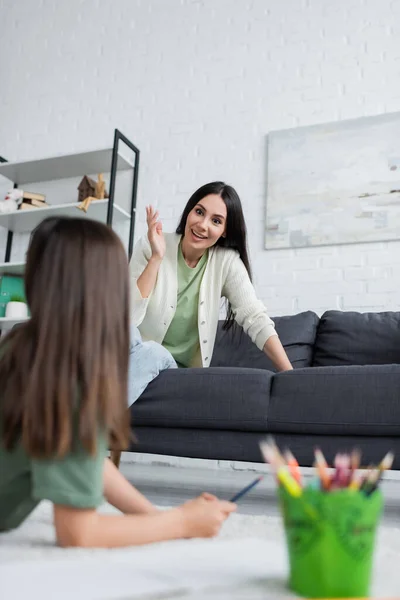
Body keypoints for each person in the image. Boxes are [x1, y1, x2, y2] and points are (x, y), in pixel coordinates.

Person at [0, 216, 236, 547]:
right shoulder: (68, 378)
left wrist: (155, 516)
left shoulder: (22, 344)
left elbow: (86, 455)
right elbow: (78, 533)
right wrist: (180, 522)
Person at [130, 181, 293, 371]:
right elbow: (127, 316)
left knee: (155, 356)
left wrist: (289, 374)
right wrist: (156, 258)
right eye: (199, 212)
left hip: (179, 373)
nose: (202, 225)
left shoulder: (226, 263)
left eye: (216, 221)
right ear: (189, 211)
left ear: (225, 231)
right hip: (135, 357)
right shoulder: (151, 245)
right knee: (150, 354)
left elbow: (255, 317)